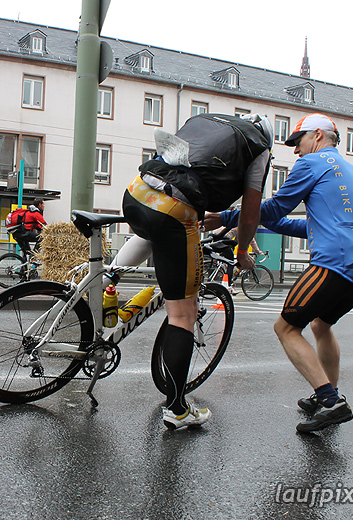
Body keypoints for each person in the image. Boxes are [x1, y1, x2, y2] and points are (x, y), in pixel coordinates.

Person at [203, 112, 353, 433]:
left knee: (285, 327)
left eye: (297, 142)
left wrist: (227, 217)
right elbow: (303, 223)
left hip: (335, 261)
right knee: (320, 325)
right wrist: (261, 218)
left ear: (317, 136)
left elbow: (273, 208)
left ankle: (331, 401)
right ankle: (328, 393)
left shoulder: (311, 164)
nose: (295, 151)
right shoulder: (349, 171)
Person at [111, 112, 273, 430]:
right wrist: (241, 252)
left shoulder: (207, 121)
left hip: (136, 192)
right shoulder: (259, 148)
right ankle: (177, 409)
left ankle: (106, 284)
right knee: (182, 315)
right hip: (174, 210)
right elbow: (251, 215)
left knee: (147, 232)